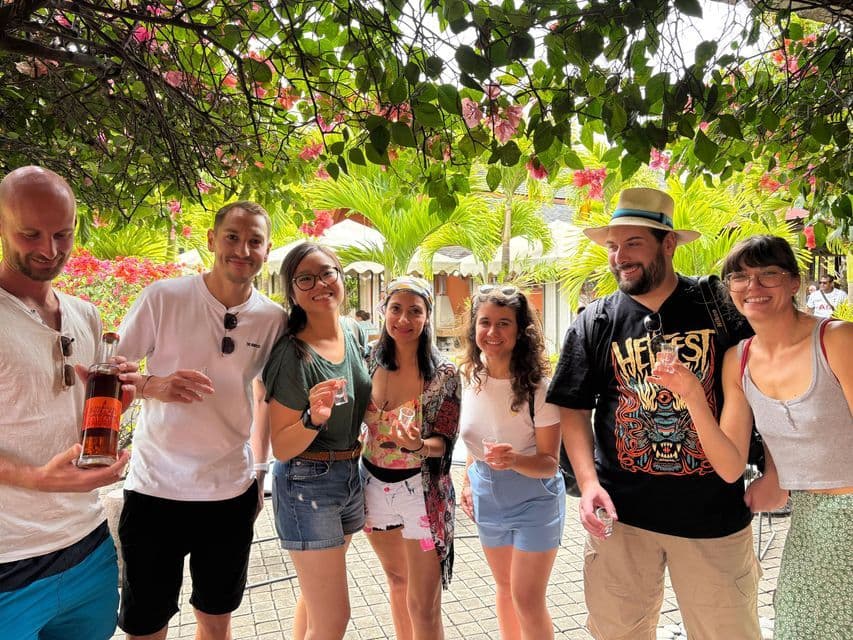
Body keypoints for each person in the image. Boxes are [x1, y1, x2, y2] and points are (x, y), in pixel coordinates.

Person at [547, 187, 761, 640]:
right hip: (624, 521)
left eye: (633, 244)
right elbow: (572, 409)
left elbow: (767, 387)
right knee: (618, 634)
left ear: (668, 244)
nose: (619, 257)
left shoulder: (718, 306)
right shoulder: (596, 320)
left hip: (713, 520)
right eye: (613, 246)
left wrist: (775, 473)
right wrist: (587, 485)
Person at [650, 235, 852, 640]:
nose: (753, 287)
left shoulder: (837, 339)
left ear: (794, 282)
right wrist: (691, 395)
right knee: (800, 625)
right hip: (811, 516)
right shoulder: (737, 359)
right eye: (739, 277)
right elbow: (728, 466)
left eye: (768, 274)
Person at [115, 201, 286, 639]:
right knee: (146, 624)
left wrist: (260, 474)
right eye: (232, 236)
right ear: (212, 240)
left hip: (229, 492)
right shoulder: (164, 297)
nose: (242, 249)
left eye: (254, 241)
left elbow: (268, 396)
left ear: (267, 251)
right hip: (155, 489)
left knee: (216, 619)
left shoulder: (272, 319)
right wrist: (155, 385)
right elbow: (110, 372)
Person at [0, 166, 135, 639]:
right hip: (8, 564)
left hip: (88, 547)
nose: (49, 249)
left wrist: (120, 401)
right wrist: (35, 478)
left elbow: (77, 422)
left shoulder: (86, 314)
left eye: (62, 233)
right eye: (30, 233)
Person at [261, 242, 371, 640]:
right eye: (305, 278)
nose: (319, 284)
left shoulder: (354, 331)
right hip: (307, 483)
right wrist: (312, 418)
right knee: (334, 618)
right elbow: (282, 446)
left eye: (327, 273)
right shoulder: (291, 355)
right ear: (291, 292)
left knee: (314, 602)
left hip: (348, 474)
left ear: (341, 277)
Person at [459, 285, 565, 640]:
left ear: (520, 331)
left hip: (536, 498)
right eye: (484, 322)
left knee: (527, 596)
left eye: (504, 323)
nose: (492, 332)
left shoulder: (540, 388)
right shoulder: (469, 379)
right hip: (489, 498)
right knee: (504, 589)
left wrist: (515, 459)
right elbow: (475, 443)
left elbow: (550, 463)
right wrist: (467, 480)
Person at [361, 276, 459, 640]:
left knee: (423, 604)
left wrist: (420, 446)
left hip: (420, 495)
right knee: (397, 582)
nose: (403, 319)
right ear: (384, 311)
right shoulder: (368, 359)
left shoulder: (444, 374)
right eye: (396, 309)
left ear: (427, 317)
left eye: (414, 311)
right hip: (373, 490)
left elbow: (446, 441)